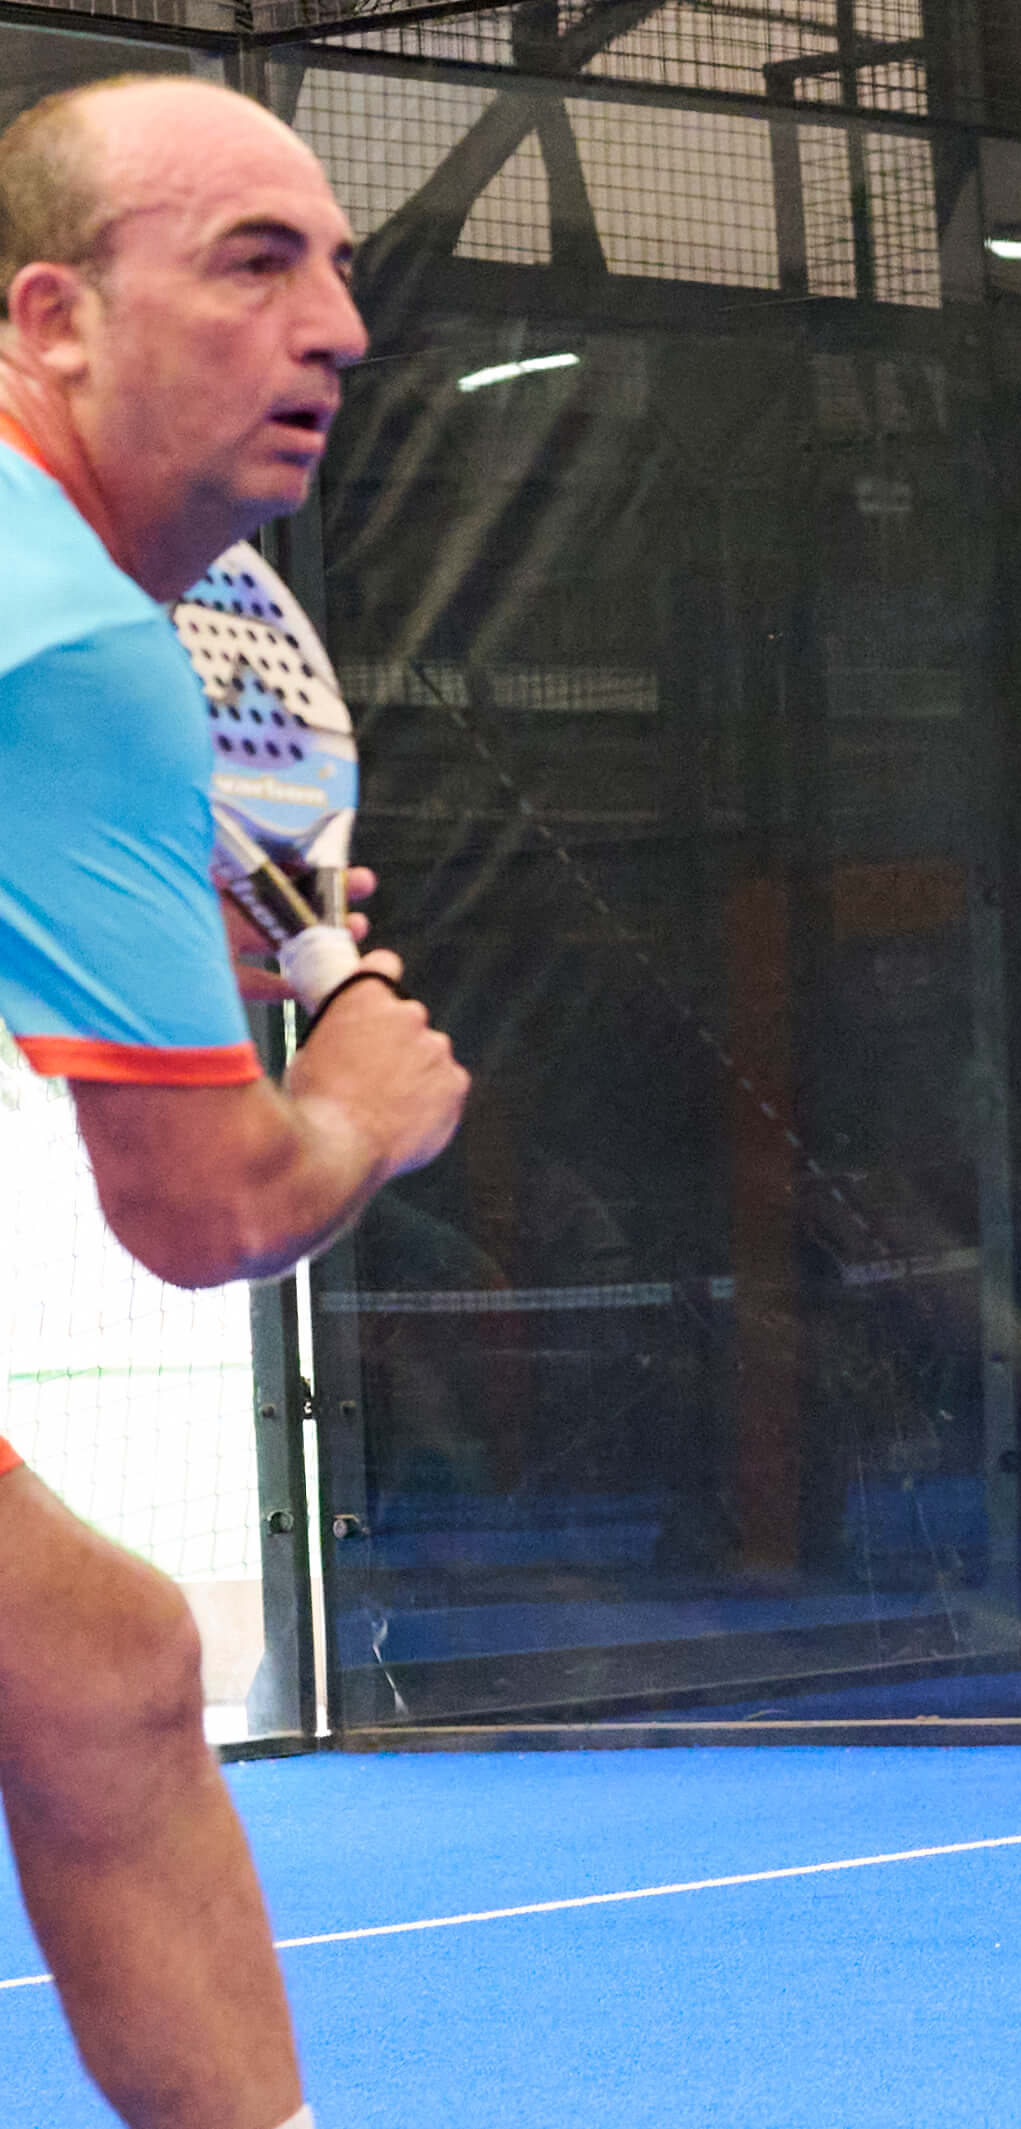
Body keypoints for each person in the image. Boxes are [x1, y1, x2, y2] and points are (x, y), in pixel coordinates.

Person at [0, 75, 469, 2128]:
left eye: (338, 273)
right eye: (251, 265)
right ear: (53, 318)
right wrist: (358, 1103)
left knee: (94, 1666)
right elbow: (203, 1211)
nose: (338, 331)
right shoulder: (80, 650)